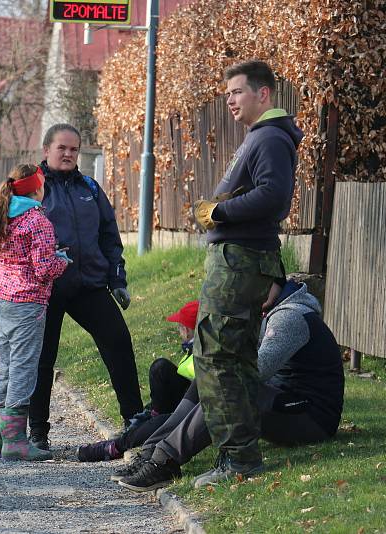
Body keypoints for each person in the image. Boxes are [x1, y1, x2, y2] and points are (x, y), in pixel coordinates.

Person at [114, 281, 344, 492]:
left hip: (311, 418)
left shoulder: (290, 317)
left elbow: (258, 370)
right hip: (283, 403)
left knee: (228, 389)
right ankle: (153, 454)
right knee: (206, 379)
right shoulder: (268, 313)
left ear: (276, 281)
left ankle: (165, 460)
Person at [189, 60, 303, 485]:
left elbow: (274, 196)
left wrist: (218, 210)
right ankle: (241, 455)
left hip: (240, 261)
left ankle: (238, 460)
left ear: (264, 94)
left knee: (217, 357)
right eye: (228, 94)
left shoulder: (270, 138)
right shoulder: (263, 138)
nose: (231, 100)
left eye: (237, 92)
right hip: (241, 260)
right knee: (234, 358)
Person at [29, 124, 146, 450]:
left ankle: (134, 421)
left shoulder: (90, 188)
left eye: (73, 149)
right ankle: (37, 432)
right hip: (46, 288)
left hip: (89, 285)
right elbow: (13, 237)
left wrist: (117, 280)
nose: (67, 154)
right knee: (43, 358)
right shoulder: (32, 189)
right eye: (61, 148)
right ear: (46, 150)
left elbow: (110, 236)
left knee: (119, 341)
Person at [0, 164, 69, 461]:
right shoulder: (37, 221)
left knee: (6, 366)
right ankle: (16, 442)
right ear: (37, 188)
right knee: (23, 368)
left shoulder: (4, 215)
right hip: (27, 301)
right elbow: (44, 269)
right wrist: (63, 261)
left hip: (2, 297)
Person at [76, 301, 197, 462]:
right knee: (160, 368)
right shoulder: (193, 348)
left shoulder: (200, 353)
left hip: (196, 409)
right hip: (187, 398)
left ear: (187, 330)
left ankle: (116, 447)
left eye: (180, 327)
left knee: (162, 422)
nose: (178, 331)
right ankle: (150, 416)